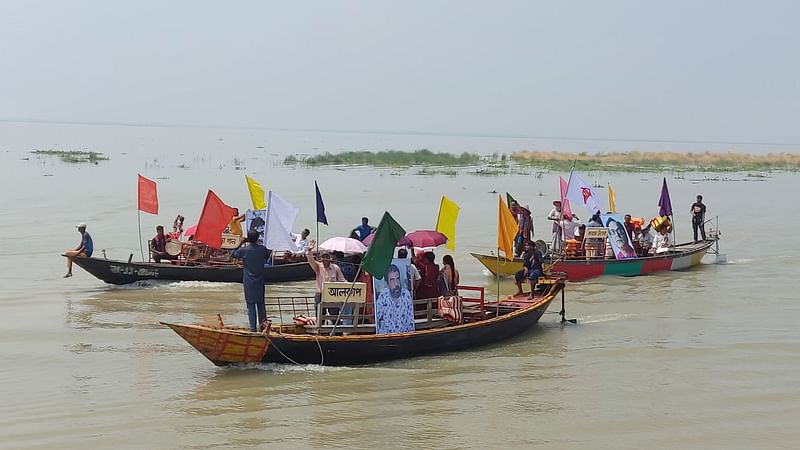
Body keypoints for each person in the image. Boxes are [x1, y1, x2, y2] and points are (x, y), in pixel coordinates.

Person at [231, 230, 270, 332]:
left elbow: (233, 254)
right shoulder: (262, 249)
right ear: (257, 238)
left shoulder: (244, 250)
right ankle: (263, 326)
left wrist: (240, 242)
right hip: (260, 280)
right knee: (261, 304)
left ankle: (253, 329)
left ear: (248, 238)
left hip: (249, 281)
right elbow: (267, 255)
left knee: (250, 305)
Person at [375, 264, 414, 334]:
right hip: (387, 339)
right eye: (392, 280)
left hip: (405, 338)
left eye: (398, 279)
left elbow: (411, 322)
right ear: (387, 284)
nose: (396, 284)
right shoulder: (383, 297)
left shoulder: (406, 295)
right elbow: (377, 321)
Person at [306, 241, 346, 306]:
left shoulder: (336, 268)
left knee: (333, 313)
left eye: (327, 257)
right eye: (323, 257)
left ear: (330, 258)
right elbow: (310, 259)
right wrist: (309, 250)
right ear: (321, 259)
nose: (325, 259)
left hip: (333, 294)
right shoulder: (318, 267)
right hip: (320, 293)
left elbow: (342, 280)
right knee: (319, 312)